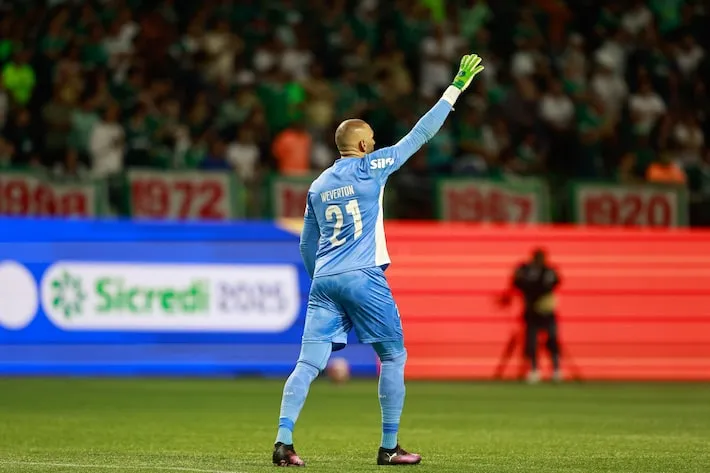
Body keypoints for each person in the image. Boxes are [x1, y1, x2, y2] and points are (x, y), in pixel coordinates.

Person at [272, 54, 485, 467]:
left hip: (325, 279)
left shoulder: (317, 185)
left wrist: (324, 282)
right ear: (365, 145)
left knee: (307, 364)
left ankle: (284, 442)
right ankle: (389, 447)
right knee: (393, 357)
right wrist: (454, 87)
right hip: (363, 277)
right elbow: (420, 135)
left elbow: (305, 245)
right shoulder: (373, 167)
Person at [499, 248, 562, 384]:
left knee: (551, 340)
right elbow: (518, 283)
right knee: (531, 342)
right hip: (532, 312)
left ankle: (556, 369)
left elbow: (551, 285)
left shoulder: (548, 271)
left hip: (546, 312)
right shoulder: (526, 270)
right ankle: (534, 369)